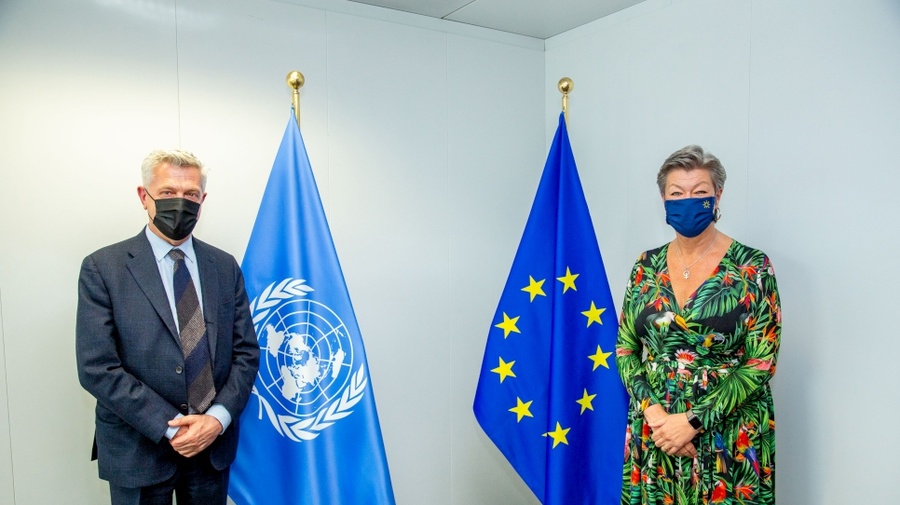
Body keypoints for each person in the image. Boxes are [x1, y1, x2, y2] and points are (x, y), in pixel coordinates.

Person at [76, 149, 260, 505]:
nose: (180, 202)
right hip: (138, 448)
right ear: (144, 196)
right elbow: (97, 367)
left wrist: (216, 419)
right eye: (167, 192)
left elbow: (245, 353)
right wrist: (170, 425)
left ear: (202, 200)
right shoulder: (103, 268)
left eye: (190, 194)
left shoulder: (224, 266)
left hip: (211, 448)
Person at [616, 145, 781, 505]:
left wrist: (691, 422)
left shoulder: (752, 267)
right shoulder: (645, 266)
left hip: (728, 434)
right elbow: (626, 348)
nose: (687, 201)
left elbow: (761, 362)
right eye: (676, 193)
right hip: (657, 433)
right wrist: (656, 415)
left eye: (699, 191)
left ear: (717, 196)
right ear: (663, 199)